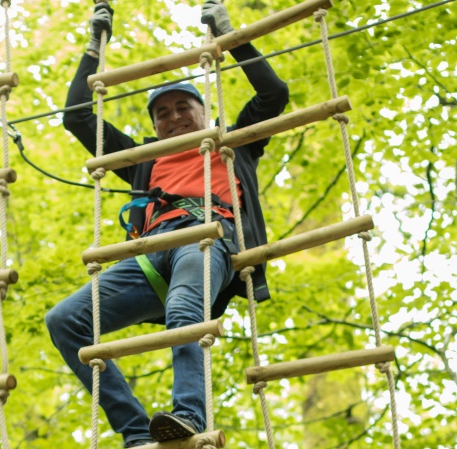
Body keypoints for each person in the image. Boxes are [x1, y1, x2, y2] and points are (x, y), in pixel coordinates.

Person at [45, 1, 289, 447]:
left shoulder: (232, 142)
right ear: (155, 126)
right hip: (149, 253)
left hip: (207, 236)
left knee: (184, 310)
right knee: (65, 320)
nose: (174, 117)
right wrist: (94, 47)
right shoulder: (144, 159)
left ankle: (189, 415)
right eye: (163, 113)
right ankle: (137, 433)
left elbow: (273, 94)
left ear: (203, 111)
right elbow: (77, 117)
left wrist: (228, 35)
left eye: (183, 107)